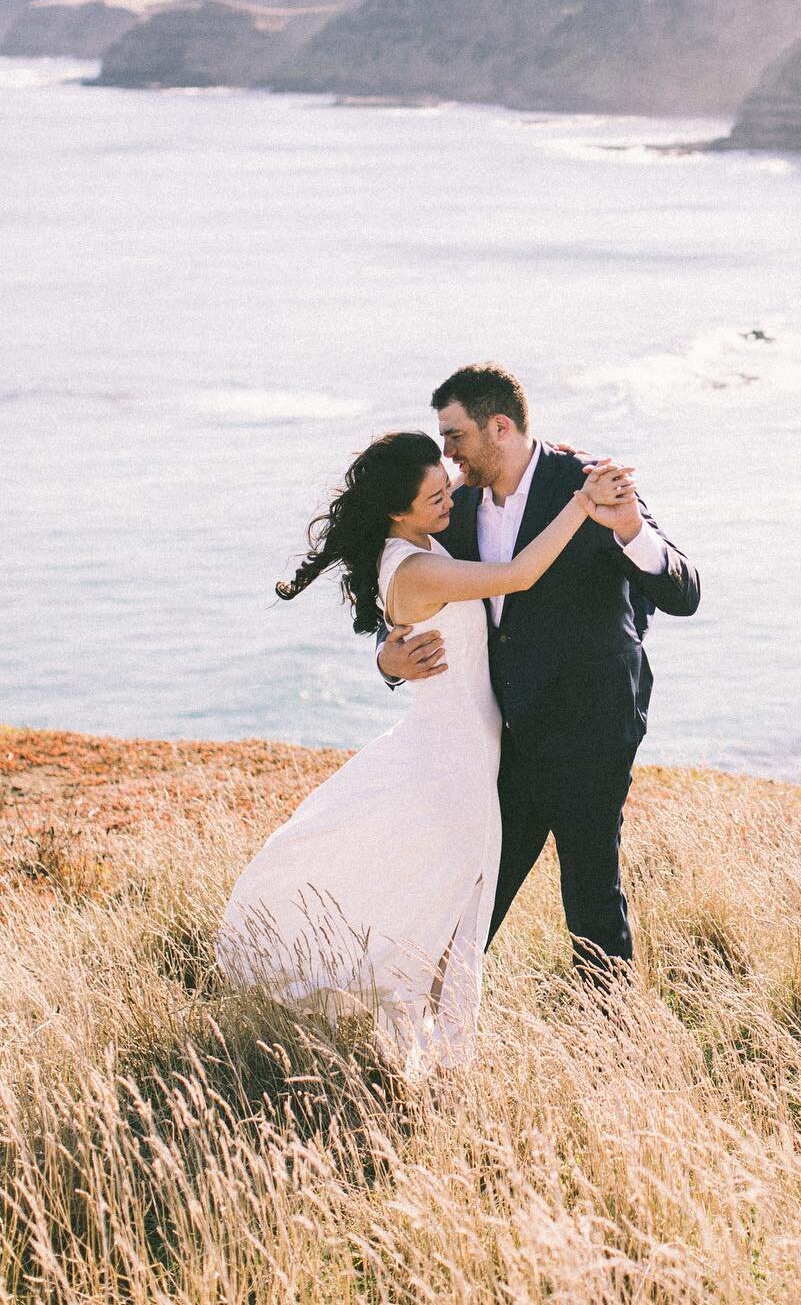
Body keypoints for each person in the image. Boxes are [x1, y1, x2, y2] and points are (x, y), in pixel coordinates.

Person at [217, 430, 632, 1074]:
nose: (451, 496)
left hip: (460, 749)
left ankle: (423, 1050)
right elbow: (518, 576)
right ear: (399, 509)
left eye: (448, 482)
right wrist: (579, 504)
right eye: (436, 494)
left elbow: (489, 486)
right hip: (453, 762)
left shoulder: (415, 540)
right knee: (451, 906)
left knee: (447, 900)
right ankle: (434, 1059)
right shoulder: (416, 567)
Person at [378, 363, 700, 980]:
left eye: (454, 436)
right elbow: (413, 592)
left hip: (594, 722)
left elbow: (684, 592)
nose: (446, 455)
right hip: (505, 735)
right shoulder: (456, 506)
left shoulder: (588, 484)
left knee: (590, 896)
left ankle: (610, 1049)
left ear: (499, 426)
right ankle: (430, 1033)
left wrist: (631, 529)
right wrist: (387, 660)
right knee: (474, 890)